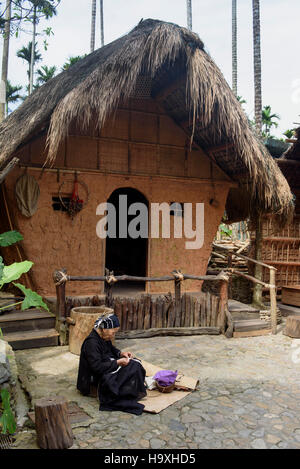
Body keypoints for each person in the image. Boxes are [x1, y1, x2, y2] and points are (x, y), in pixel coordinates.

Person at [77, 312, 147, 415]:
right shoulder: (91, 343)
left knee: (135, 364)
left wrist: (121, 353)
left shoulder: (103, 337)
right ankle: (124, 392)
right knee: (126, 371)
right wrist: (117, 362)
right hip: (93, 380)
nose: (113, 335)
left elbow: (111, 349)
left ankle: (128, 390)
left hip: (106, 366)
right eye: (113, 332)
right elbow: (97, 368)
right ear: (104, 329)